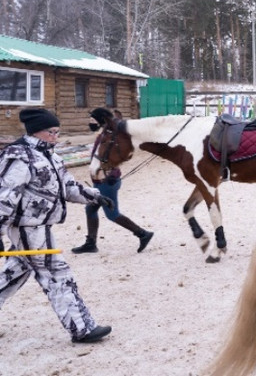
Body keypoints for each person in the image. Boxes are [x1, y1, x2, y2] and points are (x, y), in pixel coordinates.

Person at [0, 108, 112, 343]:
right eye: (52, 132)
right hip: (27, 228)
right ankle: (81, 328)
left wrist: (94, 196)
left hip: (40, 226)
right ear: (37, 132)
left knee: (14, 273)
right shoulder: (19, 157)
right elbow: (4, 196)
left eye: (58, 132)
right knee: (56, 273)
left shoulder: (51, 155)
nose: (56, 137)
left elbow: (67, 186)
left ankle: (81, 327)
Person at [72, 108, 153, 254]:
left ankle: (143, 234)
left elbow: (112, 157)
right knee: (90, 209)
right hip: (99, 181)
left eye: (93, 120)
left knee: (112, 214)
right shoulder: (103, 134)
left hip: (107, 182)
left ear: (101, 121)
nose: (90, 122)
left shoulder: (108, 136)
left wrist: (110, 175)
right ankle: (91, 243)